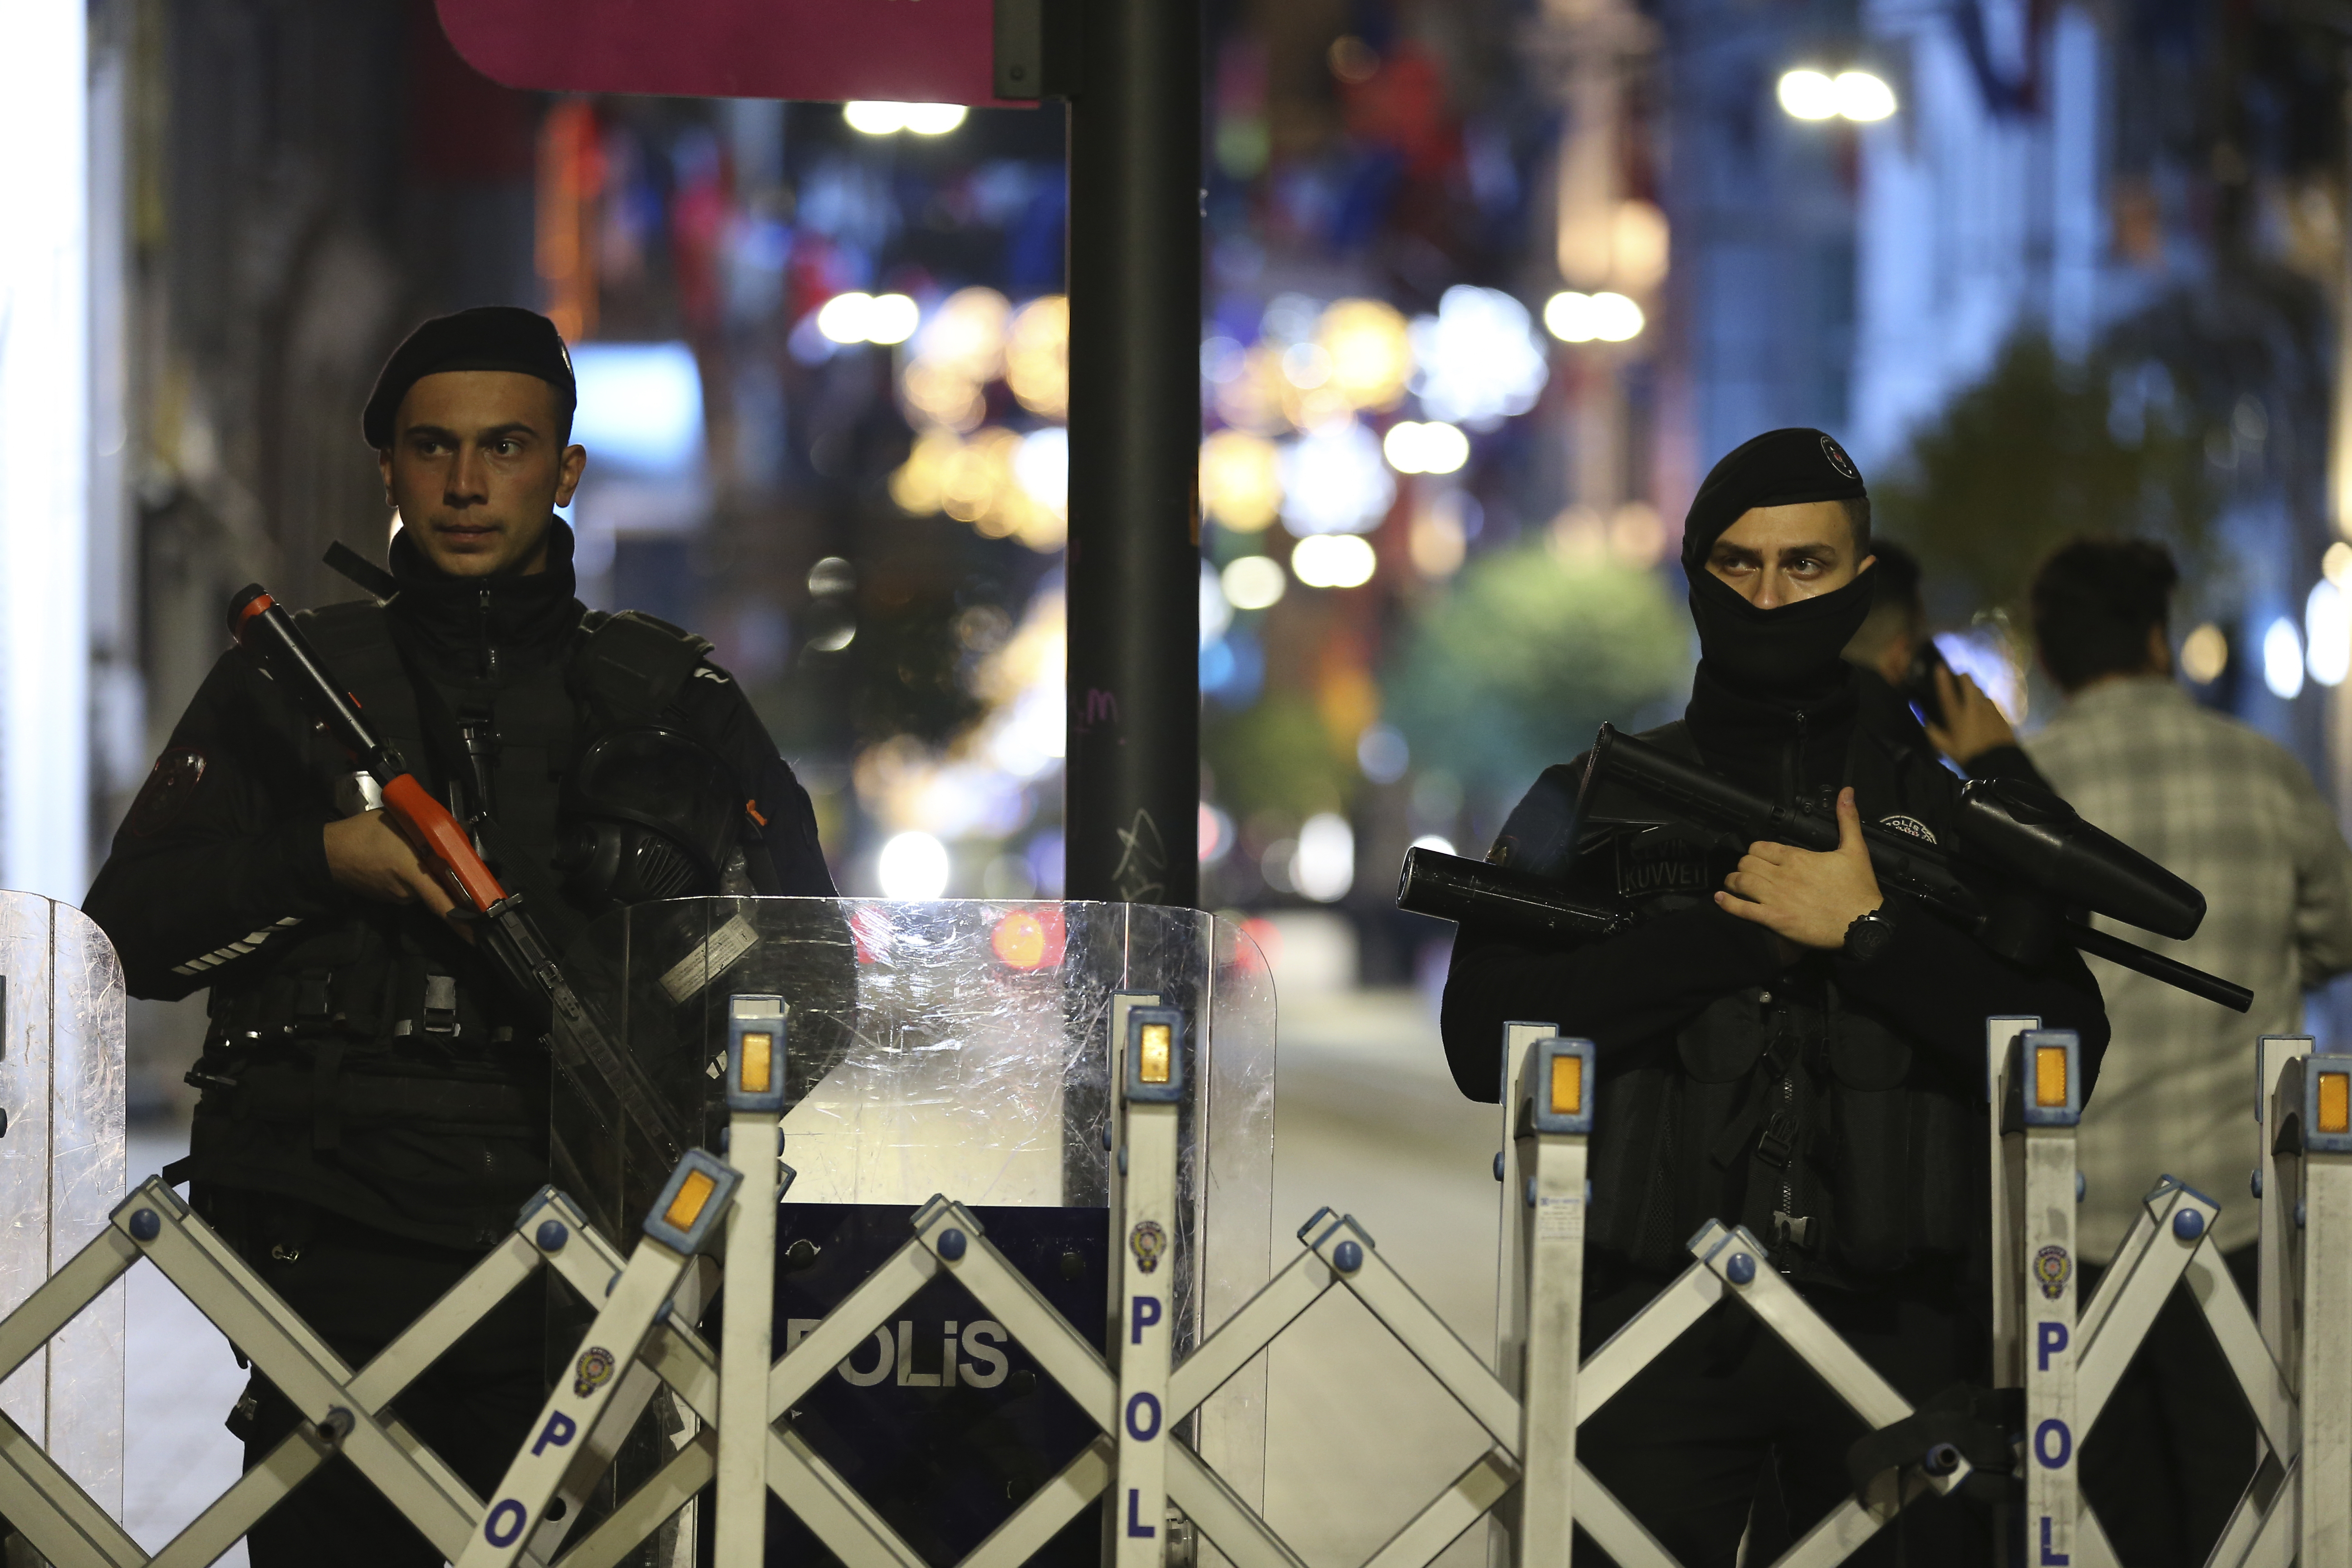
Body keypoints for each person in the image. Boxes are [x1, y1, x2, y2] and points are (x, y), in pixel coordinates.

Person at [84, 306, 837, 1568]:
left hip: (595, 1250)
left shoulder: (675, 701)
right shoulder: (288, 685)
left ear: (566, 470)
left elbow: (812, 985)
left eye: (507, 447)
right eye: (434, 449)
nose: (469, 483)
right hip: (321, 1239)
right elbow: (128, 939)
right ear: (387, 466)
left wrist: (662, 1098)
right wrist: (320, 863)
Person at [1441, 428, 2110, 1567]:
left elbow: (2066, 1046)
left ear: (1860, 580)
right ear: (1696, 575)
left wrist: (1866, 932)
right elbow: (1478, 1039)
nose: (1769, 591)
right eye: (1739, 564)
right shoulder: (1592, 797)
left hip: (1900, 1342)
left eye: (1804, 564)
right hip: (1647, 1328)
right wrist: (1727, 937)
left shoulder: (1949, 816)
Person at [1922, 536, 2352, 1566]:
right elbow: (2339, 935)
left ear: (2055, 660)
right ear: (2160, 638)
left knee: (2093, 1516)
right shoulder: (2269, 773)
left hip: (2068, 1235)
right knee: (2236, 1510)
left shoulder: (2019, 795)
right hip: (2235, 1224)